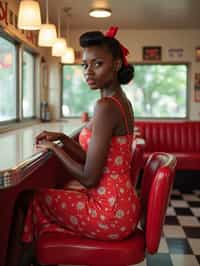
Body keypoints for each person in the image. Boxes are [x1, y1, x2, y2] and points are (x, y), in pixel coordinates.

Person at [19, 26, 141, 265]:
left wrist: (54, 149)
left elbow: (88, 178)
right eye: (85, 65)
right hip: (121, 208)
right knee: (36, 201)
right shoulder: (118, 101)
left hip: (108, 213)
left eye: (97, 64)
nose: (88, 71)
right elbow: (90, 158)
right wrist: (63, 140)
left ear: (116, 65)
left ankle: (27, 258)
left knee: (29, 200)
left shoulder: (106, 106)